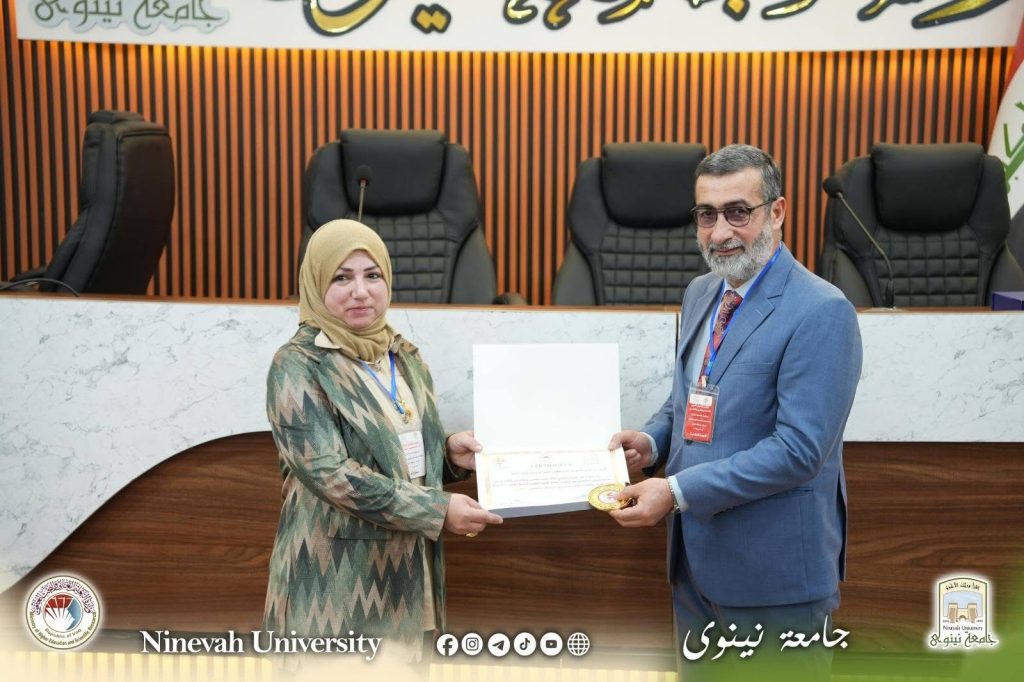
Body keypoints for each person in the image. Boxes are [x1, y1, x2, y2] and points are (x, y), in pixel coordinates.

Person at [608, 144, 862, 680]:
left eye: (737, 212)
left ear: (778, 211)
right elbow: (691, 396)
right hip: (695, 568)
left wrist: (675, 491)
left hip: (775, 580)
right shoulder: (701, 292)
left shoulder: (822, 310)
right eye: (707, 214)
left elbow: (799, 452)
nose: (720, 231)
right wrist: (650, 442)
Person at [262, 219, 502, 667]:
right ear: (315, 282)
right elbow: (331, 474)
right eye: (341, 277)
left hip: (410, 583)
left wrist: (448, 454)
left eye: (372, 275)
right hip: (335, 592)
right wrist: (437, 509)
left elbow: (397, 450)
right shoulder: (298, 364)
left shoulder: (403, 355)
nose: (361, 291)